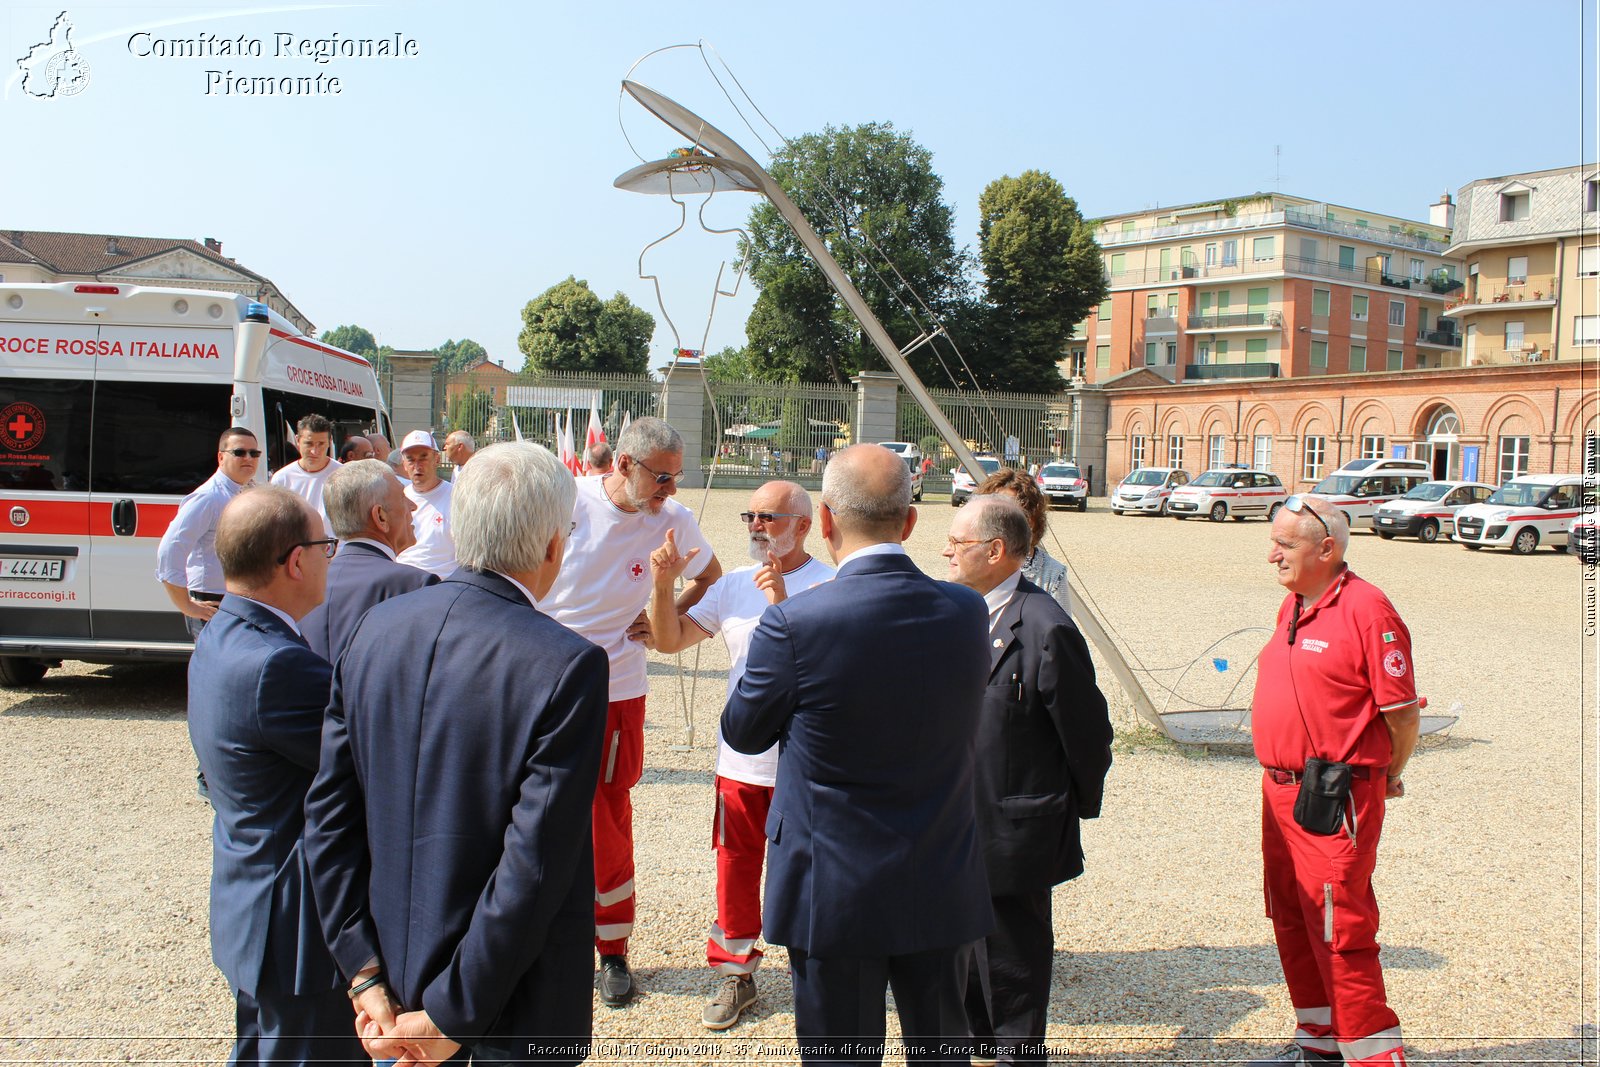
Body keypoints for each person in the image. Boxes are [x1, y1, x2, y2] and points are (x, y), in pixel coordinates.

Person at [304, 443, 607, 1066]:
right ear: (553, 544)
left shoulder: (374, 629)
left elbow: (328, 816)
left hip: (388, 979)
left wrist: (361, 969)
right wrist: (450, 1014)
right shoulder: (566, 663)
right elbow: (535, 863)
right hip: (510, 1007)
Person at [721, 444, 992, 1066]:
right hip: (940, 869)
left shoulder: (794, 622)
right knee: (942, 1048)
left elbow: (744, 732)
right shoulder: (966, 610)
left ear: (824, 521)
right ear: (911, 522)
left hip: (831, 881)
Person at [543, 416, 722, 1007]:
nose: (672, 490)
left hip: (617, 688)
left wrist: (664, 612)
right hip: (543, 684)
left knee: (607, 816)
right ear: (623, 464)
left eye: (676, 477)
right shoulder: (566, 501)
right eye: (663, 478)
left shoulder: (673, 519)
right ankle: (534, 939)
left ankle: (612, 949)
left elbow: (713, 578)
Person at [647, 480, 834, 1031]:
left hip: (805, 760)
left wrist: (782, 605)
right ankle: (736, 971)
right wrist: (662, 585)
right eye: (749, 516)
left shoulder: (832, 584)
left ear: (803, 525)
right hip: (741, 759)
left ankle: (818, 968)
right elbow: (668, 639)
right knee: (735, 864)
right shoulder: (730, 586)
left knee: (811, 868)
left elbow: (828, 670)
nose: (756, 525)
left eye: (769, 517)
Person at [184, 485, 360, 1065]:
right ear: (295, 560)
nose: (329, 559)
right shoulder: (277, 664)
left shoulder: (221, 634)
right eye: (325, 546)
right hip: (294, 925)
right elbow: (367, 764)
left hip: (249, 893)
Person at [1248, 495, 1420, 1067]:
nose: (1272, 554)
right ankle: (1318, 1046)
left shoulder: (1369, 611)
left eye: (1285, 544)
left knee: (1338, 928)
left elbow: (1401, 714)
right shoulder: (1296, 604)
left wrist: (1386, 775)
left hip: (1333, 792)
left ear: (1327, 549)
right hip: (1280, 791)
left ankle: (1374, 1057)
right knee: (1293, 915)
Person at [942, 496, 1112, 1066]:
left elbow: (1086, 733)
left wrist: (1066, 809)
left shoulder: (1045, 625)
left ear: (995, 552)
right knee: (960, 957)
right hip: (954, 824)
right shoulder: (952, 611)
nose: (945, 550)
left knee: (1011, 964)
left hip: (1014, 827)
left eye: (958, 542)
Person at [301, 459, 439, 666]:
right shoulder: (415, 585)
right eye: (402, 497)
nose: (413, 505)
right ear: (380, 517)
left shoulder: (306, 583)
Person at [156, 427, 260, 636]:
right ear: (221, 457)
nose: (248, 458)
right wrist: (187, 606)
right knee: (214, 667)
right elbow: (170, 550)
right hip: (212, 600)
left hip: (242, 599)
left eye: (254, 453)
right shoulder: (208, 497)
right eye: (239, 452)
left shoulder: (249, 491)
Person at [976, 468, 1073, 617]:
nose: (995, 520)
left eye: (1005, 513)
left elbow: (1060, 632)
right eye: (990, 511)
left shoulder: (1051, 574)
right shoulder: (972, 560)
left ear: (1031, 521)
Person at [394, 430, 456, 578]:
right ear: (404, 464)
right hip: (403, 582)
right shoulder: (397, 497)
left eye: (423, 457)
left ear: (436, 459)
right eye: (410, 459)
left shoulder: (456, 497)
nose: (417, 465)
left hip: (442, 583)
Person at [270, 413, 342, 537]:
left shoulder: (343, 475)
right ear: (297, 440)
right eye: (309, 444)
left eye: (321, 444)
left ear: (329, 442)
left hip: (335, 551)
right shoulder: (282, 478)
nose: (315, 451)